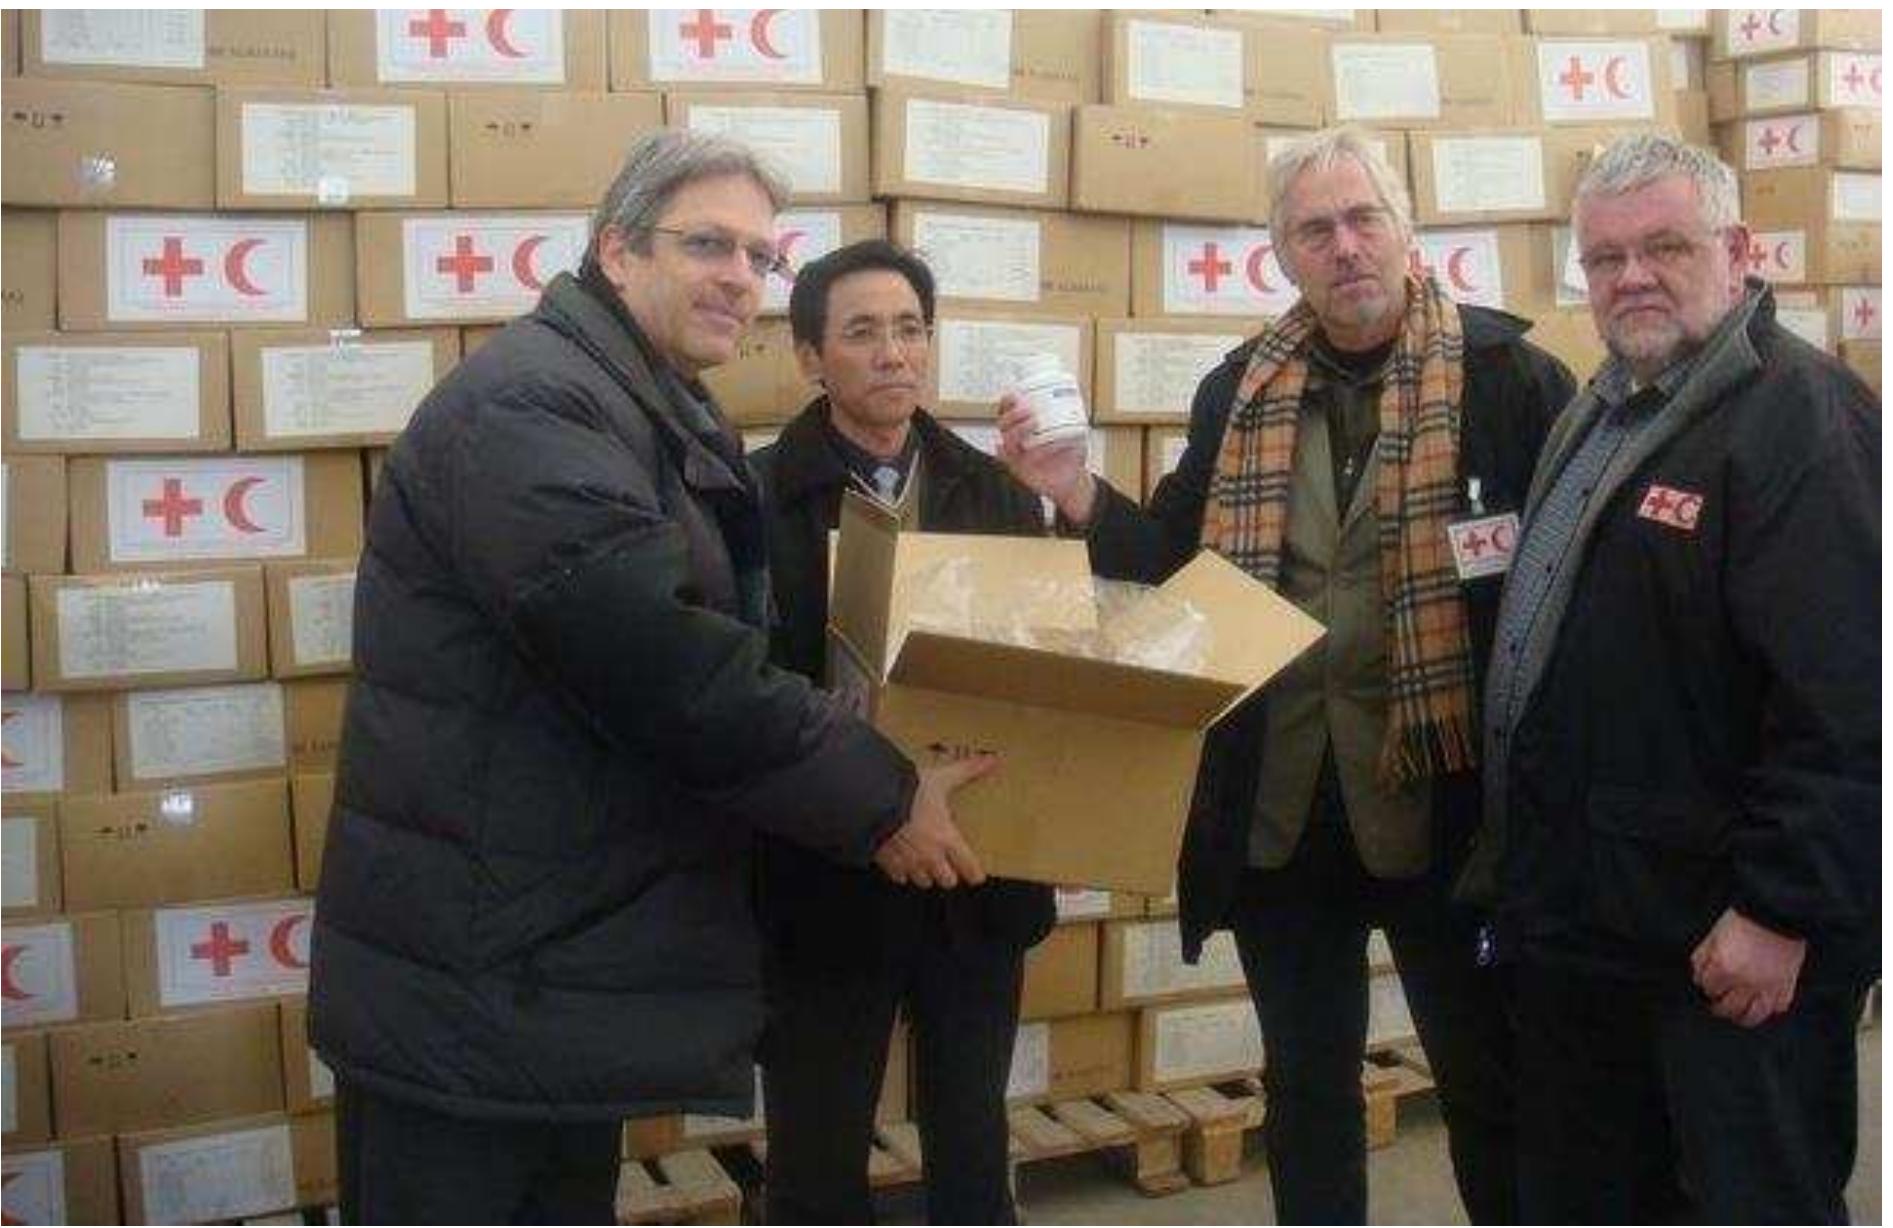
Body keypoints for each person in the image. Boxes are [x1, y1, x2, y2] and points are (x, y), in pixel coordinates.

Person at [307, 131, 995, 1225]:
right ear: (616, 250)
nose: (739, 276)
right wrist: (881, 796)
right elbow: (668, 666)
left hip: (537, 965)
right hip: (473, 983)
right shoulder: (535, 409)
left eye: (760, 257)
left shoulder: (639, 400)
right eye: (708, 243)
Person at [999, 126, 1574, 1225]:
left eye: (1364, 219)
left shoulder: (1510, 379)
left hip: (1446, 809)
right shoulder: (1242, 391)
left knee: (1487, 1079)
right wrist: (1075, 494)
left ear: (1408, 233)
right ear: (1282, 254)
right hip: (1283, 811)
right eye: (1316, 229)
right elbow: (1175, 573)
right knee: (1306, 1086)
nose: (1344, 246)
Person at [1472, 132, 1879, 1225]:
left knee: (1752, 1197)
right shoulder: (1605, 405)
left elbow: (1847, 695)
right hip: (1599, 925)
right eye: (1605, 259)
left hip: (1724, 947)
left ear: (1739, 249)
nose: (1632, 277)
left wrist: (1780, 907)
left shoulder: (1803, 420)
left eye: (1664, 246)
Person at [749, 240, 1056, 1224]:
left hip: (976, 869)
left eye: (911, 329)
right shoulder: (753, 501)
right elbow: (741, 696)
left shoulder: (999, 494)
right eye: (863, 332)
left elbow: (1049, 670)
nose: (894, 354)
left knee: (973, 1138)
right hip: (824, 873)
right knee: (817, 1149)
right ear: (809, 358)